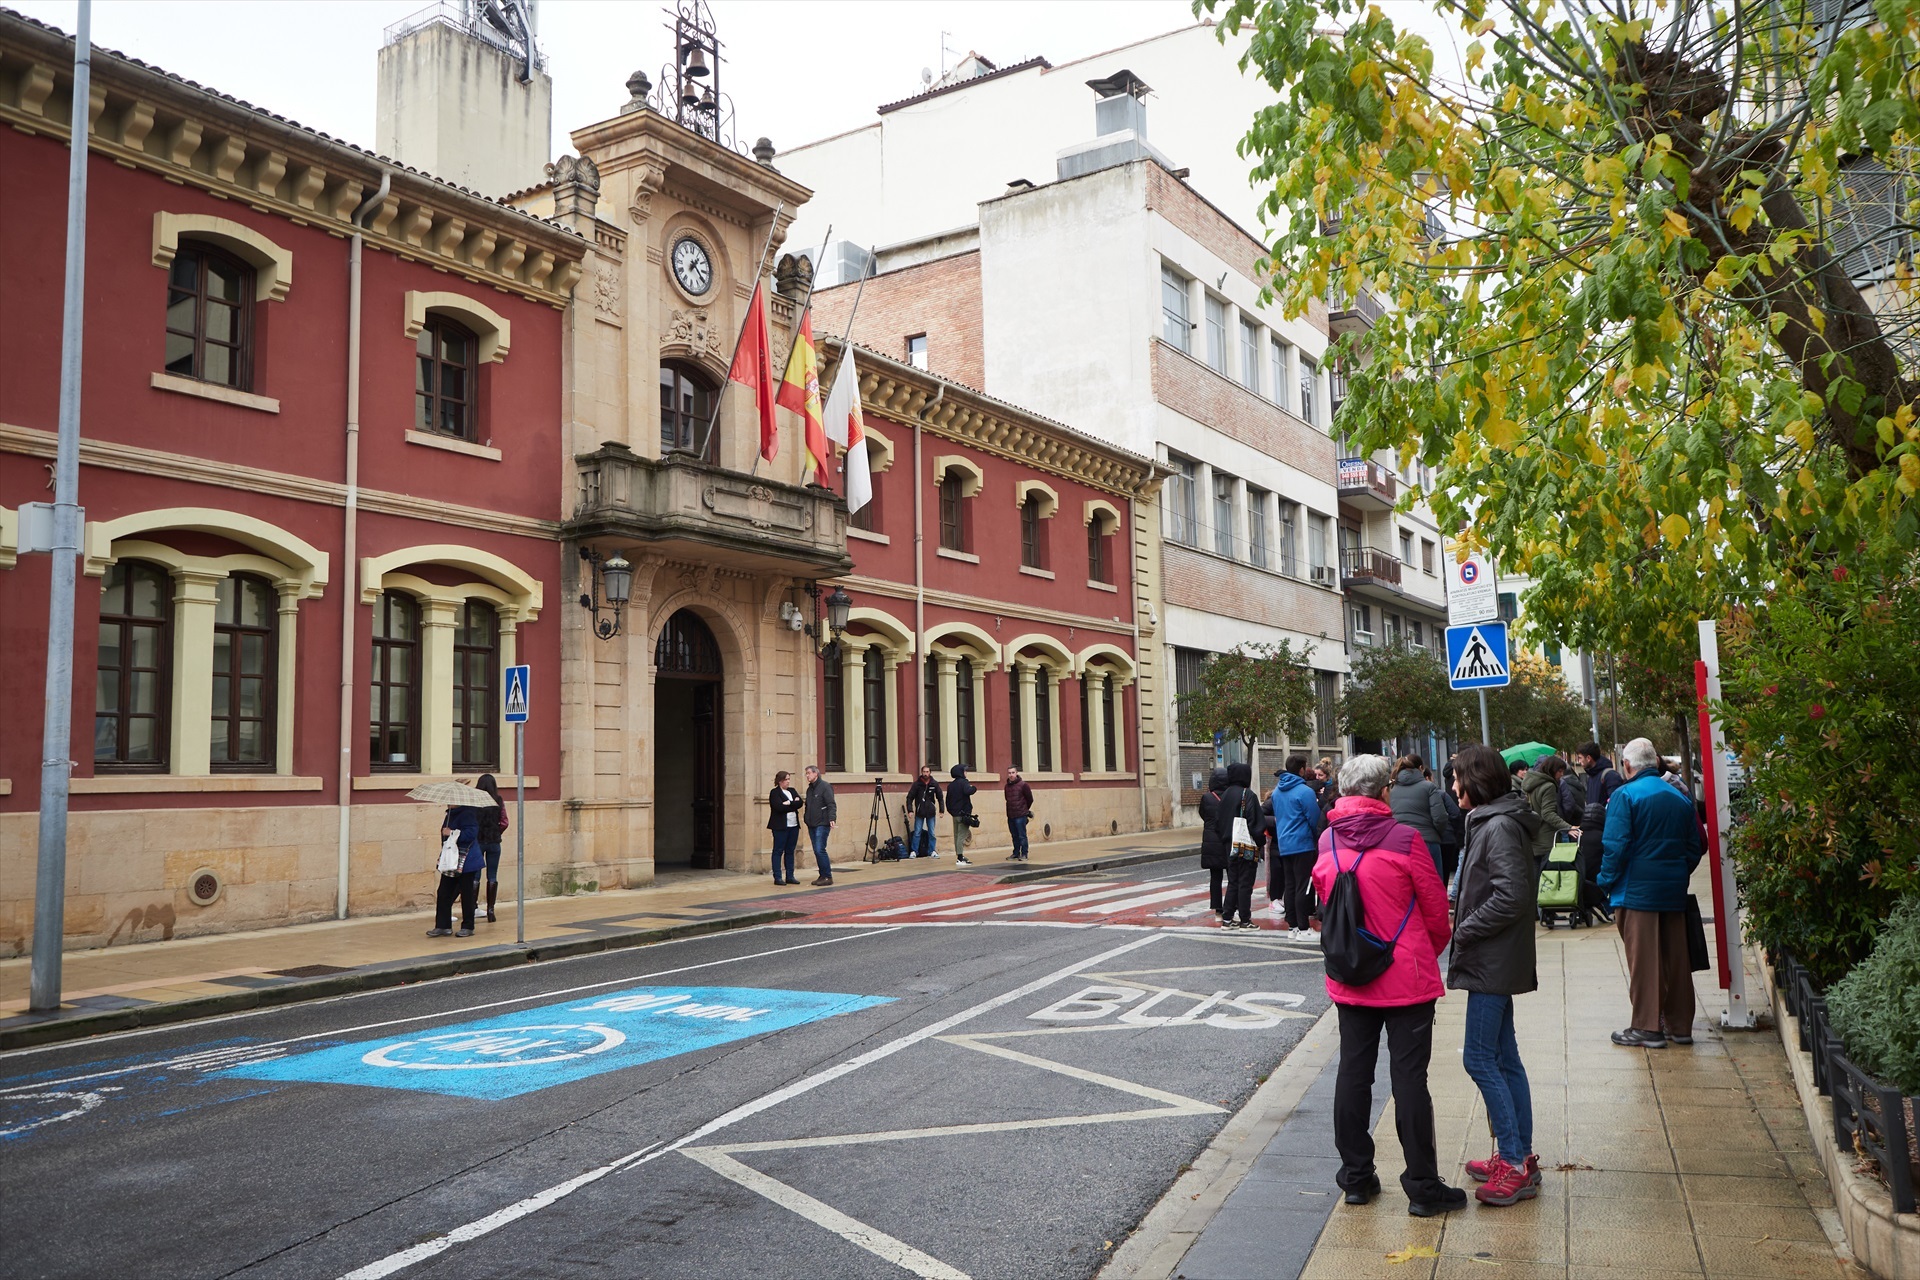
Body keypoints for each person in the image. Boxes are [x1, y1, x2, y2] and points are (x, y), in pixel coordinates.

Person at [1311, 753, 1463, 1217]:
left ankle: (1356, 1179)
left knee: (1353, 1074)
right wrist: (1424, 950)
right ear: (1383, 791)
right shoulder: (1405, 838)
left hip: (1352, 977)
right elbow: (1437, 911)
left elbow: (1325, 899)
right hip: (1406, 979)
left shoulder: (1328, 840)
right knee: (1409, 1080)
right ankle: (1422, 1186)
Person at [1448, 744, 1543, 1207]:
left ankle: (1513, 1161)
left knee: (1479, 1058)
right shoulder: (1494, 820)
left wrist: (1465, 930)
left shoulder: (1499, 825)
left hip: (1492, 959)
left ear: (1476, 781)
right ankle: (1520, 1155)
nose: (1452, 786)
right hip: (1496, 958)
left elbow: (1512, 895)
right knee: (1505, 1058)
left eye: (1457, 777)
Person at [1598, 738, 1706, 1048]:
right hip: (1672, 890)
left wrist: (1604, 881)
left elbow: (1614, 847)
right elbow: (1694, 848)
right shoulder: (1679, 797)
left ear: (1628, 766)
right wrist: (1676, 872)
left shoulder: (1625, 796)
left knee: (1644, 962)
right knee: (1676, 960)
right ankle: (1679, 1026)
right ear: (1655, 763)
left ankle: (1647, 1027)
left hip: (1636, 893)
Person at [1269, 755, 1325, 942]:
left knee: (1290, 886)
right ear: (1302, 770)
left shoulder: (1277, 792)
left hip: (1284, 844)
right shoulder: (1305, 792)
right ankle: (1303, 927)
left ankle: (1292, 926)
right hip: (1302, 843)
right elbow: (1314, 819)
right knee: (1303, 886)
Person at [1575, 742, 1626, 925]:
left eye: (1580, 758)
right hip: (1592, 829)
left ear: (1589, 758)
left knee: (1602, 866)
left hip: (1604, 830)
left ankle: (1607, 903)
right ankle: (1600, 902)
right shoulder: (1592, 776)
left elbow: (1615, 802)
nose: (1579, 761)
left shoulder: (1609, 775)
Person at [1212, 761, 1266, 929]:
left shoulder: (1225, 794)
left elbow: (1217, 822)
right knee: (1245, 882)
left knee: (1233, 881)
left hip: (1229, 844)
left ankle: (1227, 918)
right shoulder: (1247, 794)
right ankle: (1245, 919)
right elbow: (1255, 822)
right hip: (1245, 844)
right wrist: (1260, 842)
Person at [428, 792, 484, 938]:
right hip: (451, 860)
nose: (448, 802)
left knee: (466, 894)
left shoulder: (468, 813)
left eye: (450, 800)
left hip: (467, 860)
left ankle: (468, 926)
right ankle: (442, 925)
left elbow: (471, 834)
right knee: (444, 892)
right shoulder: (450, 814)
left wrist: (451, 832)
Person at [1389, 753, 1450, 880]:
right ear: (1421, 768)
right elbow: (1440, 818)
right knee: (1433, 886)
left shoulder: (1391, 789)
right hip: (1427, 842)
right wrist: (1436, 834)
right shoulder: (1429, 787)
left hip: (1398, 843)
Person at [1519, 755, 1579, 871]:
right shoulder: (1549, 786)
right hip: (1547, 839)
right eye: (1559, 771)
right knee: (1549, 879)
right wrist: (1568, 827)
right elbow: (1548, 813)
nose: (1562, 775)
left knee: (1536, 878)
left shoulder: (1530, 784)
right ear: (1551, 770)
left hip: (1533, 836)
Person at [475, 773, 507, 923]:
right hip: (494, 842)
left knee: (475, 876)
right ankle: (490, 910)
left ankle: (473, 907)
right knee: (492, 876)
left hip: (478, 842)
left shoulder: (474, 800)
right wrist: (496, 831)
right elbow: (505, 822)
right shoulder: (498, 800)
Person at [1198, 767, 1230, 918]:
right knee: (1233, 876)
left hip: (1211, 840)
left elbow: (1202, 814)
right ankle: (1231, 906)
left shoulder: (1206, 797)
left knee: (1215, 877)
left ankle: (1218, 909)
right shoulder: (1231, 796)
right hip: (1227, 839)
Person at [766, 770, 803, 886]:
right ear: (780, 781)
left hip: (794, 826)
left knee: (790, 851)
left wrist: (788, 803)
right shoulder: (774, 792)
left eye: (789, 779)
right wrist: (792, 804)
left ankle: (790, 876)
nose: (788, 782)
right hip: (780, 826)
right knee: (778, 851)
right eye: (786, 779)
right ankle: (777, 877)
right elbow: (778, 807)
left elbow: (800, 803)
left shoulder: (792, 791)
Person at [802, 765, 837, 886]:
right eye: (806, 773)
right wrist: (806, 818)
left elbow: (831, 804)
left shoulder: (825, 786)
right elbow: (808, 805)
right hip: (811, 823)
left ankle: (827, 876)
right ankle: (822, 875)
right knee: (816, 850)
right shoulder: (809, 789)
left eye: (809, 773)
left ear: (816, 774)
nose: (807, 776)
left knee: (819, 849)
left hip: (822, 823)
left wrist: (832, 818)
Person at [1436, 762, 1465, 892]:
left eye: (1456, 780)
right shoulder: (1439, 794)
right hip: (1447, 837)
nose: (1453, 787)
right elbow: (1454, 814)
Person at [905, 765, 944, 859]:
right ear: (921, 773)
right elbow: (910, 797)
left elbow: (940, 797)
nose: (926, 774)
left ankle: (932, 850)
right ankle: (914, 851)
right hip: (920, 812)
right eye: (924, 772)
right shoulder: (916, 784)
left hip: (931, 812)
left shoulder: (934, 784)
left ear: (930, 773)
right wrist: (910, 810)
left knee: (932, 833)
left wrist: (941, 810)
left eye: (927, 772)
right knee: (917, 832)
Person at [946, 764, 976, 866]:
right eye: (965, 771)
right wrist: (974, 788)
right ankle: (960, 857)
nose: (966, 773)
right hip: (963, 814)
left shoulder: (951, 785)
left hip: (955, 814)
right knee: (962, 836)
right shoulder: (964, 782)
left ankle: (959, 855)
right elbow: (968, 791)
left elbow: (948, 801)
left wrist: (952, 812)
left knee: (956, 835)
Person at [1005, 768, 1035, 861]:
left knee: (1022, 835)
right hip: (1011, 814)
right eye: (1009, 773)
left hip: (1020, 814)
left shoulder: (1023, 785)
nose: (1011, 775)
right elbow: (1007, 799)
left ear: (1017, 773)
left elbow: (1030, 799)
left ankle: (1024, 853)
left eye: (1013, 773)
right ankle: (1016, 853)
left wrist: (1025, 809)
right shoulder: (1007, 786)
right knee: (1014, 835)